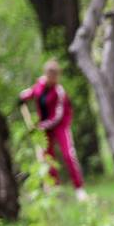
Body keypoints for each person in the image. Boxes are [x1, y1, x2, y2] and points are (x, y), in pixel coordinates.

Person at [19, 60, 87, 201]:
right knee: (47, 158)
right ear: (46, 74)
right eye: (50, 76)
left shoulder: (59, 91)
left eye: (54, 77)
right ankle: (53, 189)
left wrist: (41, 126)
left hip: (60, 125)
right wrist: (22, 97)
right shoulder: (40, 85)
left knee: (69, 155)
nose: (52, 79)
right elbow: (31, 92)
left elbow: (58, 116)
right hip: (44, 128)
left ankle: (79, 189)